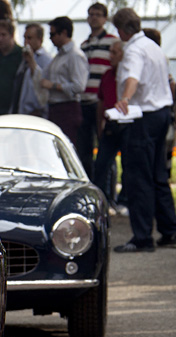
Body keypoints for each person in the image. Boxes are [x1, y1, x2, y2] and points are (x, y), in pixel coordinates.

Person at [112, 7, 176, 252]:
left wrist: (125, 99)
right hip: (161, 114)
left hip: (143, 117)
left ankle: (142, 237)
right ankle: (169, 230)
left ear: (121, 30)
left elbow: (132, 78)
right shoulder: (154, 46)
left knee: (138, 177)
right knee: (158, 175)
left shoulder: (134, 50)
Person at [31, 17, 88, 146]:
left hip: (67, 108)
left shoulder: (74, 55)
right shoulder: (59, 56)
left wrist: (54, 86)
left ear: (63, 33)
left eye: (52, 34)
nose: (50, 38)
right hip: (55, 108)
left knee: (66, 147)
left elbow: (79, 86)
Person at [78, 3, 118, 178]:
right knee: (84, 148)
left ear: (104, 18)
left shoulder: (112, 42)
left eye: (97, 14)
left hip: (101, 100)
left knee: (105, 149)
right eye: (90, 14)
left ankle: (108, 189)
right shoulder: (84, 45)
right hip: (85, 99)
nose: (93, 17)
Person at [93, 40, 125, 208]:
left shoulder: (128, 75)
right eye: (110, 52)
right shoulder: (107, 75)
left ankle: (124, 201)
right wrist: (100, 126)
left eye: (114, 53)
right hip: (110, 125)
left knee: (128, 166)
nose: (110, 56)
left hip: (128, 125)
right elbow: (100, 101)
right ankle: (102, 201)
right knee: (102, 163)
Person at [15, 23, 51, 117]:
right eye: (25, 38)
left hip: (36, 112)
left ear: (40, 39)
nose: (26, 42)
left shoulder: (45, 59)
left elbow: (42, 84)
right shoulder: (24, 59)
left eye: (29, 38)